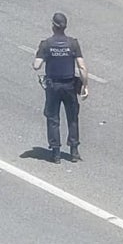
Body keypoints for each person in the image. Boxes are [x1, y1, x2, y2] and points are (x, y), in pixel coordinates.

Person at [32, 12, 88, 163]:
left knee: (53, 118)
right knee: (73, 117)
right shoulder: (73, 43)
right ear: (65, 27)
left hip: (53, 86)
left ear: (53, 26)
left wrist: (42, 55)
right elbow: (82, 67)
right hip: (70, 85)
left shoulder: (46, 44)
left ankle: (56, 153)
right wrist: (85, 86)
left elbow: (36, 66)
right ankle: (74, 151)